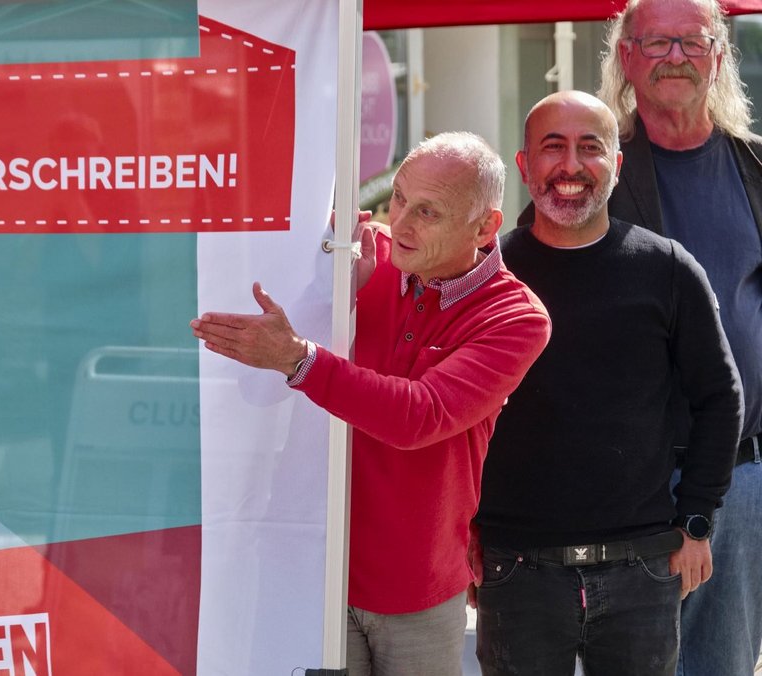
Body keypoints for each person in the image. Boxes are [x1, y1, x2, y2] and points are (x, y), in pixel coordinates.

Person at [190, 132, 551, 676]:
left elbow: (419, 416)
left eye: (427, 211)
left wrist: (298, 358)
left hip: (417, 583)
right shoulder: (359, 255)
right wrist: (317, 281)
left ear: (484, 227)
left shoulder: (516, 317)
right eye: (399, 197)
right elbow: (256, 387)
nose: (401, 221)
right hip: (310, 561)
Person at [475, 90, 743, 675]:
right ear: (524, 166)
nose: (570, 166)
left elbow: (721, 400)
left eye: (590, 148)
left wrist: (696, 519)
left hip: (642, 569)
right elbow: (448, 412)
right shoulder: (484, 273)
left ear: (616, 166)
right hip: (515, 568)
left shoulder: (667, 268)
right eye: (553, 147)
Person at [598, 1, 762, 672]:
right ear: (627, 58)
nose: (675, 57)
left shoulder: (755, 167)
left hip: (740, 478)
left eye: (691, 43)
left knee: (721, 665)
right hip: (622, 478)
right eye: (657, 43)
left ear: (719, 56)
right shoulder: (590, 171)